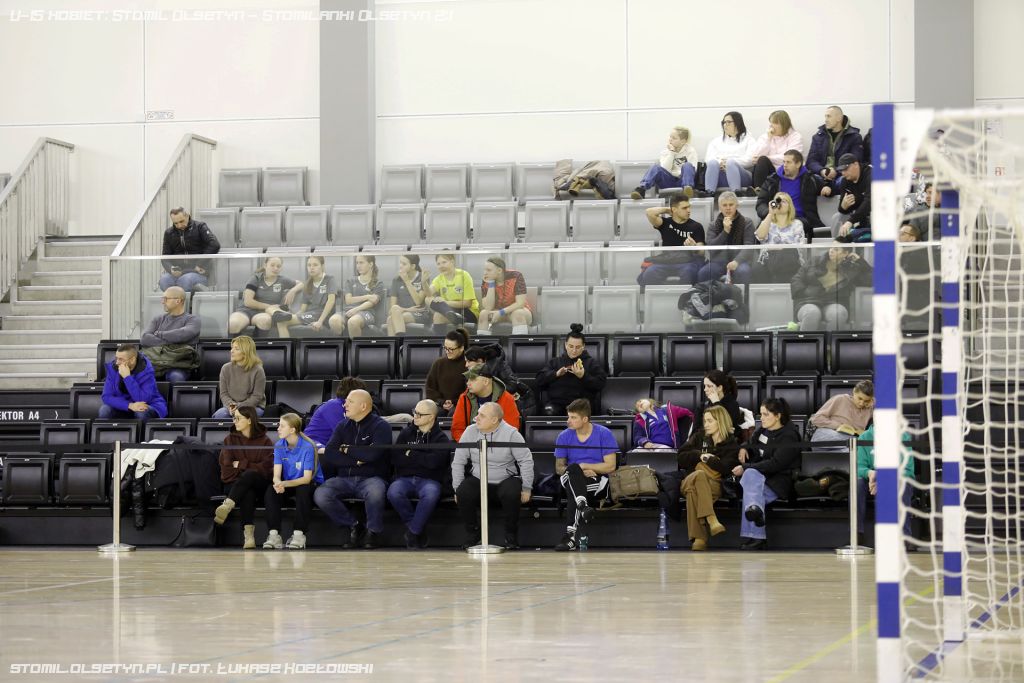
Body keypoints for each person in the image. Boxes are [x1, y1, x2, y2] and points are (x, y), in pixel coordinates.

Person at [314, 389, 393, 549]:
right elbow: (330, 453)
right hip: (344, 478)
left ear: (363, 406)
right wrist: (357, 460)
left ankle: (373, 531)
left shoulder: (381, 426)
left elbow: (373, 454)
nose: (345, 405)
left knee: (375, 492)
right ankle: (354, 525)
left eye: (350, 402)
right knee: (321, 494)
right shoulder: (342, 425)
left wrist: (346, 449)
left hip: (372, 478)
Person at [452, 402, 534, 550]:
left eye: (482, 416)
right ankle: (473, 533)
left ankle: (510, 534)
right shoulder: (470, 431)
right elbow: (458, 462)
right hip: (478, 478)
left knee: (511, 492)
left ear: (494, 420)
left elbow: (526, 461)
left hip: (505, 479)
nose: (476, 418)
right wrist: (456, 488)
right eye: (478, 414)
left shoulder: (511, 434)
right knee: (463, 492)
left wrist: (527, 488)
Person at [733, 397, 802, 550]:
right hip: (760, 478)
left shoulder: (790, 435)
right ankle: (756, 528)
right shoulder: (763, 430)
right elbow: (751, 442)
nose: (761, 418)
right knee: (751, 479)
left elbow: (776, 464)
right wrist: (744, 447)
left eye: (766, 414)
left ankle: (756, 535)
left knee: (750, 484)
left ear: (778, 416)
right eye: (761, 414)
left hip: (779, 481)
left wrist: (746, 466)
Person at [553, 399, 618, 551]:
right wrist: (578, 470)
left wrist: (584, 466)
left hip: (596, 479)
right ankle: (582, 506)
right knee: (573, 472)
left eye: (573, 417)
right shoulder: (563, 436)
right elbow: (559, 468)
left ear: (585, 419)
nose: (568, 421)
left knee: (574, 489)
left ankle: (570, 538)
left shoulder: (604, 434)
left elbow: (610, 466)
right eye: (568, 417)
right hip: (569, 477)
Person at [386, 400, 452, 549]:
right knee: (393, 492)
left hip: (430, 480)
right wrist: (423, 458)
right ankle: (417, 529)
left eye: (420, 414)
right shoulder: (405, 433)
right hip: (404, 478)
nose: (415, 416)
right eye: (415, 412)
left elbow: (435, 463)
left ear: (431, 417)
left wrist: (411, 454)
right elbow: (396, 458)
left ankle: (413, 532)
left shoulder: (440, 438)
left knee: (431, 494)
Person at [676, 406, 740, 551]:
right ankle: (712, 519)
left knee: (694, 490)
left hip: (714, 485)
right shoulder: (699, 436)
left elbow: (726, 468)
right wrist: (700, 455)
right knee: (699, 475)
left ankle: (700, 538)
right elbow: (680, 457)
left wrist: (708, 460)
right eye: (705, 421)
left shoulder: (731, 444)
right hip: (689, 480)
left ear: (720, 421)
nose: (706, 424)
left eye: (710, 421)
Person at [213, 406, 274, 549]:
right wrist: (252, 467)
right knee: (247, 490)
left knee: (249, 476)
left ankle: (227, 505)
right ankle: (249, 536)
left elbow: (267, 470)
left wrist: (240, 464)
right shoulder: (229, 440)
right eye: (234, 418)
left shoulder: (265, 441)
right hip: (234, 484)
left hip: (260, 484)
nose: (234, 421)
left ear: (250, 420)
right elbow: (226, 471)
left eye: (238, 418)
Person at [262, 413, 323, 550]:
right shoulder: (279, 445)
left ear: (292, 430)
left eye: (282, 426)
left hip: (310, 484)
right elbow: (276, 475)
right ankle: (274, 535)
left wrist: (284, 483)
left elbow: (306, 478)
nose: (278, 428)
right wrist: (278, 483)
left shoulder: (307, 446)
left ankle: (299, 534)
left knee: (303, 489)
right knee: (271, 490)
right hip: (289, 483)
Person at [857, 424, 915, 546]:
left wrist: (884, 478)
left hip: (896, 477)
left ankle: (904, 537)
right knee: (857, 484)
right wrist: (870, 473)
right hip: (871, 478)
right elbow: (859, 467)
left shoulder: (903, 436)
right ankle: (857, 534)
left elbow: (908, 470)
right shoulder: (864, 437)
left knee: (904, 483)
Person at [790, 245, 872, 331]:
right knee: (812, 313)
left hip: (834, 302)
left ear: (845, 253)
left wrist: (861, 262)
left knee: (838, 314)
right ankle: (807, 340)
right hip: (809, 301)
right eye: (831, 248)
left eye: (836, 249)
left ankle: (831, 340)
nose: (831, 251)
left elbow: (872, 280)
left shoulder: (851, 268)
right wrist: (804, 292)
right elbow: (797, 279)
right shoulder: (814, 261)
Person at [535, 324, 608, 416]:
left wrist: (583, 376)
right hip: (557, 404)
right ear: (565, 345)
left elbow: (600, 383)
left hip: (581, 405)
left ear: (583, 346)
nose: (574, 350)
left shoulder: (591, 363)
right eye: (571, 346)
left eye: (577, 347)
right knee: (549, 411)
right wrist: (555, 374)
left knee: (579, 413)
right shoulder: (555, 362)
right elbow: (539, 380)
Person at [635, 195, 706, 286]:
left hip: (688, 262)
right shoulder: (665, 223)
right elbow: (649, 212)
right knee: (650, 273)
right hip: (667, 260)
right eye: (684, 208)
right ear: (674, 209)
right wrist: (667, 210)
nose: (689, 210)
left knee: (689, 272)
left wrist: (694, 247)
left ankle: (685, 295)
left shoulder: (696, 226)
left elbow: (702, 252)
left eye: (689, 207)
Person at [755, 149, 824, 240]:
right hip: (777, 217)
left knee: (801, 225)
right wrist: (770, 213)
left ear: (798, 164)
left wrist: (827, 187)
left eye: (788, 162)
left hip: (800, 218)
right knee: (761, 228)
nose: (785, 165)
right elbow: (760, 204)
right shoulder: (772, 180)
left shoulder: (810, 179)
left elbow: (830, 185)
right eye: (784, 162)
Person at [228, 256, 303, 336]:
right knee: (233, 324)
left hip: (264, 313)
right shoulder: (255, 278)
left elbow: (301, 284)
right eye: (272, 265)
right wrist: (270, 307)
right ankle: (238, 343)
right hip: (246, 311)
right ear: (265, 265)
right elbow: (248, 302)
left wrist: (292, 291)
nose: (275, 268)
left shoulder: (283, 280)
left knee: (264, 321)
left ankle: (256, 343)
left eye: (278, 266)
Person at [139, 286, 200, 382]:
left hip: (178, 365)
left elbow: (183, 334)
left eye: (166, 299)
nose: (162, 302)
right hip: (156, 362)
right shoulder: (158, 319)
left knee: (176, 377)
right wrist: (176, 344)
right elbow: (144, 338)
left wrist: (160, 334)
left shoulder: (192, 320)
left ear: (178, 301)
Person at [450, 364, 521, 442]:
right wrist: (468, 444)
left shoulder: (507, 399)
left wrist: (494, 446)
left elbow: (511, 429)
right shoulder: (464, 398)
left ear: (486, 381)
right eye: (468, 379)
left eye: (473, 379)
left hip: (499, 446)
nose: (468, 383)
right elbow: (457, 429)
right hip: (471, 445)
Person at [99, 343, 167, 421]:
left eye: (121, 359)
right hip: (125, 405)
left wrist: (127, 378)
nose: (117, 362)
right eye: (116, 358)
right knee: (105, 410)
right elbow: (106, 396)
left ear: (132, 360)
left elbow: (142, 399)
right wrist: (129, 405)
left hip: (149, 404)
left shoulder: (147, 371)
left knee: (141, 411)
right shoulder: (113, 368)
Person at [701, 191, 756, 284]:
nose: (728, 208)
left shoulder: (747, 222)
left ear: (736, 205)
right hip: (718, 262)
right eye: (724, 205)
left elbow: (749, 247)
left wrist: (737, 261)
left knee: (744, 271)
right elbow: (711, 249)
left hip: (740, 261)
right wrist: (725, 232)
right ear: (719, 207)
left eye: (731, 204)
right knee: (704, 273)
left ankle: (743, 294)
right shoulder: (713, 225)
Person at [159, 207, 220, 292]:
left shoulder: (200, 227)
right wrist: (171, 269)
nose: (179, 226)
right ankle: (173, 300)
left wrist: (199, 264)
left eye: (181, 221)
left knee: (185, 280)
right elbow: (165, 258)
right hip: (179, 273)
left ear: (187, 216)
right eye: (176, 223)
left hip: (198, 272)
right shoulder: (169, 233)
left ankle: (184, 300)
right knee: (164, 280)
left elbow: (214, 245)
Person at [274, 255, 337, 338]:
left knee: (282, 321)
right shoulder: (307, 284)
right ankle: (288, 346)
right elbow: (303, 309)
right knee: (281, 321)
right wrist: (294, 315)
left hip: (322, 315)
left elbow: (331, 301)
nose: (311, 268)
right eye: (309, 265)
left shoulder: (330, 279)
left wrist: (320, 321)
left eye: (315, 265)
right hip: (310, 314)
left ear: (322, 266)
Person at [630, 125, 699, 199]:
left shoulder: (690, 151)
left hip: (683, 181)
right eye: (670, 137)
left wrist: (678, 174)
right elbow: (665, 169)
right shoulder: (665, 152)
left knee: (688, 165)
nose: (670, 139)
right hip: (668, 181)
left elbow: (693, 170)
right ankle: (641, 189)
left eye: (674, 138)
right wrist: (672, 153)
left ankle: (687, 189)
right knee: (655, 167)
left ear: (683, 141)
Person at [751, 191, 805, 284]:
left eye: (784, 201)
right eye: (778, 201)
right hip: (768, 260)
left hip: (790, 260)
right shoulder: (767, 222)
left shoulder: (797, 224)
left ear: (789, 207)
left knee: (785, 255)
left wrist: (776, 248)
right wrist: (770, 214)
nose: (780, 203)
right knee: (757, 267)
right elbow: (760, 236)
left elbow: (798, 247)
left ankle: (776, 286)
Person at [329, 254, 386, 338]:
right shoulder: (351, 281)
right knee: (333, 320)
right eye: (357, 263)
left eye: (361, 263)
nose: (358, 266)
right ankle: (344, 343)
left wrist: (356, 309)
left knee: (353, 322)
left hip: (366, 312)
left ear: (370, 264)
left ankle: (355, 346)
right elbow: (348, 300)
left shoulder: (378, 283)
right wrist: (368, 296)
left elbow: (372, 302)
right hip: (348, 310)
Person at [304, 376, 368, 448]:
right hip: (313, 445)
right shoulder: (334, 406)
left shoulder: (349, 406)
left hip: (328, 445)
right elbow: (346, 435)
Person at [212, 335, 266, 419]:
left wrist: (239, 407)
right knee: (220, 415)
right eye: (232, 348)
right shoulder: (225, 368)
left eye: (236, 349)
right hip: (231, 407)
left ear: (246, 352)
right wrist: (231, 406)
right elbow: (224, 394)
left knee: (242, 417)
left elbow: (257, 396)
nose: (231, 351)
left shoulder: (258, 370)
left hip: (253, 407)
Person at [806, 106, 865, 183]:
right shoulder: (818, 136)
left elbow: (855, 160)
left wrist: (836, 171)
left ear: (839, 118)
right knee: (809, 179)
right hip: (821, 176)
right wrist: (822, 171)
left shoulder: (854, 137)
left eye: (829, 116)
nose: (826, 120)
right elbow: (811, 161)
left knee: (843, 180)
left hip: (842, 175)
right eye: (825, 116)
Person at [810, 380, 875, 448]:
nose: (861, 403)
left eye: (866, 401)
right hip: (828, 435)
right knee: (857, 443)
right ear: (854, 391)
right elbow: (816, 419)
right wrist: (839, 426)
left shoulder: (870, 407)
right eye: (860, 398)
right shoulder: (840, 399)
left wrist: (873, 404)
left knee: (854, 447)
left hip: (848, 443)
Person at [822, 154, 872, 241]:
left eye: (846, 169)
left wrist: (850, 221)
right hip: (858, 216)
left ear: (856, 164)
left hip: (876, 213)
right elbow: (842, 210)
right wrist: (843, 206)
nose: (843, 173)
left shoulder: (870, 174)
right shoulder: (845, 181)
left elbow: (869, 202)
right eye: (841, 170)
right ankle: (837, 245)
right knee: (837, 217)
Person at [477, 257, 533, 335]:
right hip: (497, 312)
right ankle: (484, 342)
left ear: (499, 270)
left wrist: (501, 312)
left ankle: (518, 342)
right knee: (484, 314)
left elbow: (520, 304)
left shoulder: (516, 276)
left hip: (517, 310)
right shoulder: (486, 279)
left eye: (488, 270)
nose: (485, 273)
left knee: (518, 313)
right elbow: (488, 307)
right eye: (485, 270)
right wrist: (491, 284)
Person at [426, 252, 479, 333]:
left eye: (444, 262)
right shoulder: (439, 278)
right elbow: (428, 293)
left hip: (467, 312)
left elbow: (467, 303)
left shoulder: (464, 275)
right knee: (429, 300)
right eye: (438, 264)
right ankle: (442, 342)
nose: (441, 266)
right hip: (450, 310)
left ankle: (451, 315)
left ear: (452, 262)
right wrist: (424, 282)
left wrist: (445, 302)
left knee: (439, 312)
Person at [749, 110, 804, 189]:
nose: (771, 126)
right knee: (762, 160)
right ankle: (758, 190)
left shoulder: (795, 137)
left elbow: (791, 158)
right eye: (771, 123)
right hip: (769, 170)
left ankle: (759, 190)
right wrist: (768, 140)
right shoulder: (766, 136)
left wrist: (769, 158)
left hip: (785, 170)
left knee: (763, 159)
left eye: (775, 123)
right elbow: (756, 157)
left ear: (784, 125)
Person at [704, 111, 756, 194]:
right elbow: (708, 159)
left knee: (731, 162)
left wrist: (729, 163)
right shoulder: (716, 141)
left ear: (738, 123)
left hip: (742, 177)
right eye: (724, 122)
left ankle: (736, 193)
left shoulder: (749, 140)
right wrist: (720, 163)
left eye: (728, 122)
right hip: (721, 176)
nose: (725, 125)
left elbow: (750, 160)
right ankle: (709, 193)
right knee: (713, 163)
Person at [425, 328, 470, 414]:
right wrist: (442, 402)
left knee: (454, 412)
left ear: (461, 348)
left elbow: (470, 392)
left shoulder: (468, 364)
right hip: (440, 404)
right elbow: (430, 389)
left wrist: (454, 402)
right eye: (445, 348)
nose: (447, 351)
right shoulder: (439, 364)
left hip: (461, 404)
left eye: (451, 349)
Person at [386, 254, 431, 336]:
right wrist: (407, 310)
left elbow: (418, 302)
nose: (400, 266)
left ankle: (398, 342)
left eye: (404, 264)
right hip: (401, 312)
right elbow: (391, 310)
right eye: (400, 263)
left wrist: (407, 281)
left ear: (413, 266)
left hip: (420, 313)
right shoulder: (396, 280)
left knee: (391, 319)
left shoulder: (422, 277)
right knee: (391, 316)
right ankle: (399, 341)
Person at [697, 369, 746, 441]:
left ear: (720, 388)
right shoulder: (703, 406)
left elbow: (725, 428)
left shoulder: (733, 405)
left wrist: (716, 403)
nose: (705, 389)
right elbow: (696, 431)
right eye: (705, 386)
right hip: (705, 443)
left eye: (709, 386)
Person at [631, 398, 695, 452]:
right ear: (639, 411)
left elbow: (688, 413)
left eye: (640, 401)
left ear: (649, 401)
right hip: (651, 446)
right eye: (637, 406)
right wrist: (645, 442)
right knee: (635, 452)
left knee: (660, 452)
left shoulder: (669, 409)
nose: (639, 404)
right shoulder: (640, 420)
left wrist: (695, 421)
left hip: (667, 447)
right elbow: (638, 437)